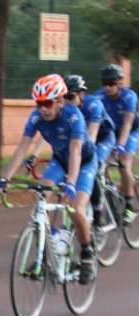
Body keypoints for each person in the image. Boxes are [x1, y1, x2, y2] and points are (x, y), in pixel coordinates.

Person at [0, 74, 97, 284]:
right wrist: (5, 178)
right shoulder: (36, 117)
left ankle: (87, 254)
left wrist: (70, 182)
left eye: (47, 103)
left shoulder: (73, 116)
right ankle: (44, 252)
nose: (43, 108)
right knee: (43, 195)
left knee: (77, 210)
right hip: (59, 160)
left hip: (84, 161)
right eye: (39, 103)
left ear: (60, 101)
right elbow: (22, 147)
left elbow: (76, 151)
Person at [25, 74, 115, 227]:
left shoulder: (93, 105)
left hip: (100, 139)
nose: (67, 101)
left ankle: (98, 212)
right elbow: (47, 134)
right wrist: (34, 155)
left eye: (71, 96)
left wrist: (79, 163)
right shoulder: (62, 111)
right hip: (76, 144)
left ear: (81, 95)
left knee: (96, 167)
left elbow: (92, 134)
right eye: (64, 97)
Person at [94, 63, 138, 223]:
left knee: (124, 163)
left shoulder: (129, 96)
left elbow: (127, 123)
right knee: (100, 160)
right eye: (104, 83)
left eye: (111, 83)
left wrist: (120, 145)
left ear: (120, 82)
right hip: (112, 132)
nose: (108, 88)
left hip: (132, 130)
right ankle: (111, 187)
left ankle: (129, 205)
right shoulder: (99, 97)